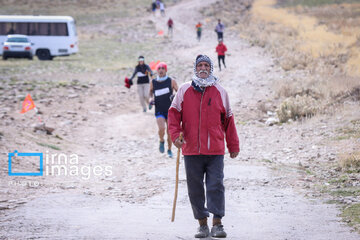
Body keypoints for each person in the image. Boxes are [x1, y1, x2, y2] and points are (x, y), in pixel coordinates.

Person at [168, 55, 239, 238]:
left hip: (215, 149)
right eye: (200, 65)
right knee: (195, 188)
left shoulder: (220, 91)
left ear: (211, 68)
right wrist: (175, 136)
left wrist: (233, 145)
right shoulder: (184, 90)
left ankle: (217, 224)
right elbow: (173, 116)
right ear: (195, 68)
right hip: (191, 150)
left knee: (216, 185)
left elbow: (229, 121)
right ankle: (202, 224)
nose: (203, 68)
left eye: (206, 65)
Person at [149, 62, 178, 157]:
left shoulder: (171, 81)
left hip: (170, 110)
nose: (161, 70)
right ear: (157, 71)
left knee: (170, 132)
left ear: (166, 70)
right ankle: (161, 140)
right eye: (159, 68)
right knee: (161, 128)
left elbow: (179, 92)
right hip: (159, 109)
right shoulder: (153, 82)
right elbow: (150, 92)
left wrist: (175, 96)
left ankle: (169, 150)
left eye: (163, 68)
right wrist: (150, 98)